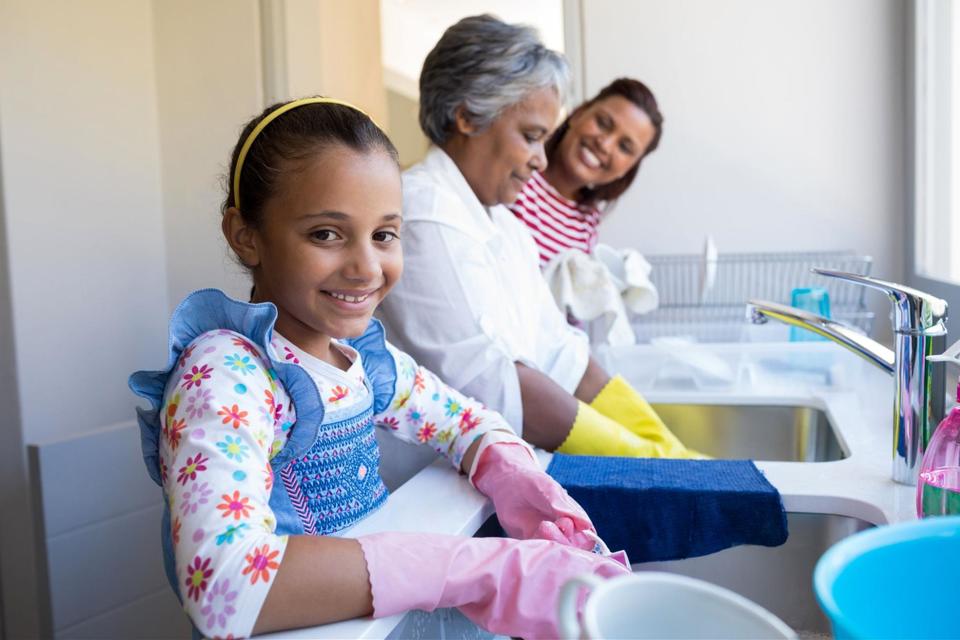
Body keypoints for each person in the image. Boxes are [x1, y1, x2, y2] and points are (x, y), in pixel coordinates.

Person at [128, 97, 628, 639]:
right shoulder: (227, 373)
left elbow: (465, 419)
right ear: (246, 234)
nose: (367, 267)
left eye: (384, 234)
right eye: (326, 233)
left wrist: (516, 477)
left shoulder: (365, 359)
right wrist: (474, 569)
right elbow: (223, 588)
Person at [377, 15, 697, 460]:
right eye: (530, 137)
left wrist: (669, 448)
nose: (540, 161)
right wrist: (649, 459)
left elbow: (563, 353)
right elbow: (492, 382)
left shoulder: (502, 223)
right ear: (468, 115)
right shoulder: (423, 213)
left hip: (490, 466)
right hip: (425, 485)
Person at [508, 77, 663, 268]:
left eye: (624, 147)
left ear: (628, 169)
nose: (604, 145)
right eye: (603, 123)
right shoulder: (515, 172)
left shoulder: (587, 225)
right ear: (579, 113)